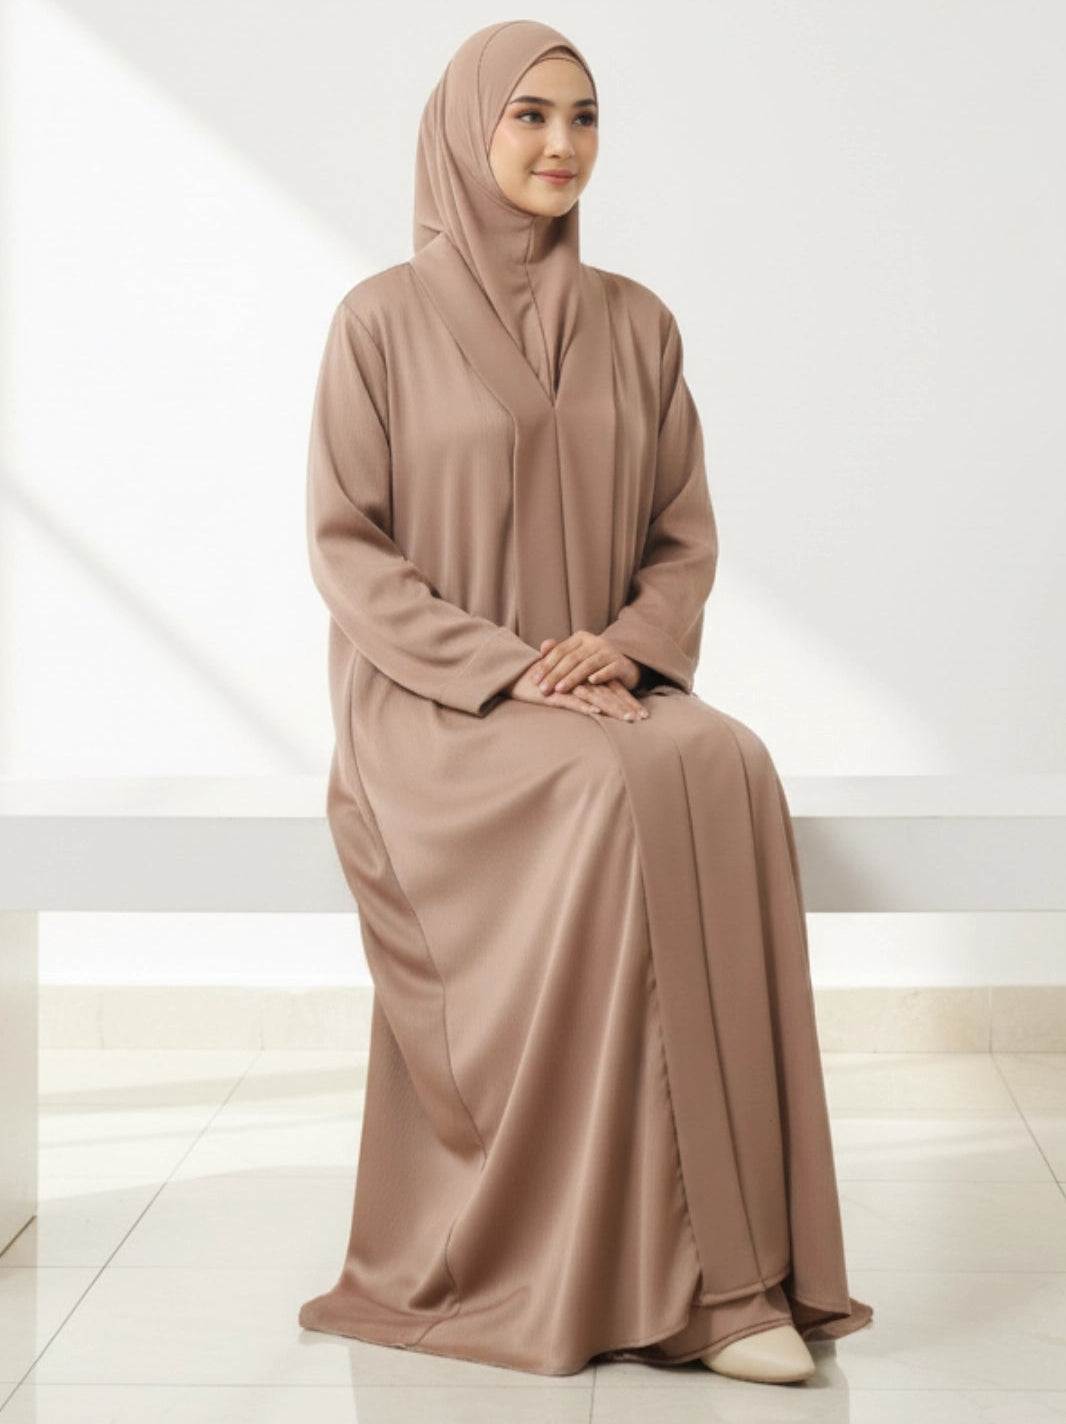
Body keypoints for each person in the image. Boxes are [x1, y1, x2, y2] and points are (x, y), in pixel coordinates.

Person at [297, 18, 874, 1383]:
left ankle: (752, 1261)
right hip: (438, 712)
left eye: (585, 119)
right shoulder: (378, 320)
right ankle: (698, 1291)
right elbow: (346, 546)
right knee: (614, 792)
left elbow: (680, 536)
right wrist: (507, 667)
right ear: (468, 131)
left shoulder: (638, 322)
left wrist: (623, 647)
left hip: (606, 686)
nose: (562, 146)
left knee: (726, 759)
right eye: (530, 118)